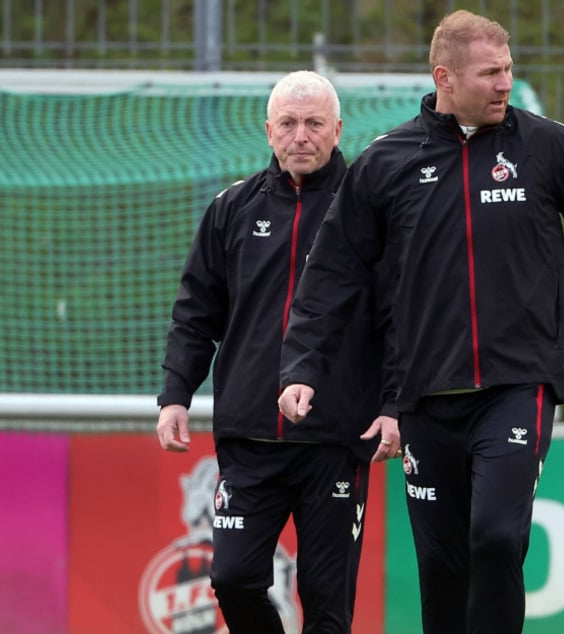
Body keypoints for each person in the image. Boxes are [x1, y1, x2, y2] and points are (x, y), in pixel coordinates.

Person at [277, 10, 564, 634]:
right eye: (490, 73)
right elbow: (332, 272)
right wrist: (303, 366)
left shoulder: (546, 147)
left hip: (519, 386)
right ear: (445, 77)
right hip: (425, 396)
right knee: (442, 570)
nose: (505, 83)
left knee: (494, 536)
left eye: (508, 69)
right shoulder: (387, 162)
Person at [156, 70, 394, 634]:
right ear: (268, 131)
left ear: (338, 130)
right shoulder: (231, 209)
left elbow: (397, 321)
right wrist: (175, 394)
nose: (300, 136)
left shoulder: (372, 213)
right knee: (233, 579)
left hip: (335, 440)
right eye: (288, 124)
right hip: (249, 438)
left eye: (314, 124)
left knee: (326, 604)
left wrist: (393, 405)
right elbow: (196, 312)